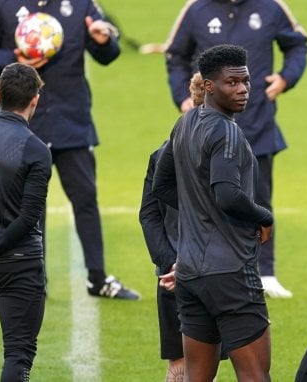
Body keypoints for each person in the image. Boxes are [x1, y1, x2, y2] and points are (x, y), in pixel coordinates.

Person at [164, 0, 307, 298]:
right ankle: (196, 265)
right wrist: (182, 97)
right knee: (206, 198)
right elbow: (175, 55)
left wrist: (285, 78)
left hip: (257, 123)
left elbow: (298, 44)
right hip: (207, 128)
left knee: (260, 197)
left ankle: (265, 272)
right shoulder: (196, 10)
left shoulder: (271, 7)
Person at [0, 0, 139, 299]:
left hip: (71, 121)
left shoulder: (81, 4)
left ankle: (98, 279)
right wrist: (14, 56)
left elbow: (108, 54)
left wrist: (104, 40)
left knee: (86, 199)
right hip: (23, 125)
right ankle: (35, 279)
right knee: (28, 207)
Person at [152, 44, 273, 382]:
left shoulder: (185, 122)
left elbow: (161, 187)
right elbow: (228, 195)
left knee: (196, 378)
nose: (243, 89)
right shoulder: (227, 131)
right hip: (231, 274)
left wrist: (198, 213)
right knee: (255, 375)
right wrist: (264, 216)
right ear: (207, 86)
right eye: (231, 83)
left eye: (246, 81)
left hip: (190, 275)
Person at [138, 72, 206, 382]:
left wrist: (169, 262)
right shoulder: (231, 151)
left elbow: (148, 215)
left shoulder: (161, 152)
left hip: (171, 274)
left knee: (179, 368)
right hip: (212, 274)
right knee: (205, 369)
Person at [0, 63, 50, 381]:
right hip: (19, 264)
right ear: (35, 100)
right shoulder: (36, 150)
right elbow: (28, 216)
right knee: (18, 353)